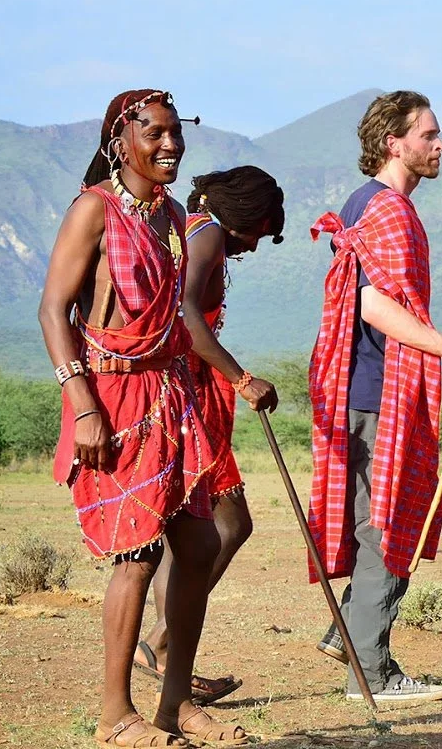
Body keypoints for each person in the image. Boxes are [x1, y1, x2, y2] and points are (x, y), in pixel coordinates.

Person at [39, 89, 245, 746]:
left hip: (169, 396)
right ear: (118, 142)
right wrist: (82, 404)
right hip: (112, 398)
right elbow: (52, 311)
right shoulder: (91, 213)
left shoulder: (174, 216)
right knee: (136, 554)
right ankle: (113, 716)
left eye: (176, 134)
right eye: (154, 134)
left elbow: (178, 317)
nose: (170, 145)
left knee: (202, 542)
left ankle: (173, 705)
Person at [309, 90, 442, 702]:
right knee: (386, 527)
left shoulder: (377, 206)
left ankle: (351, 633)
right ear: (395, 142)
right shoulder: (384, 210)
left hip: (380, 388)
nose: (440, 144)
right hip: (375, 390)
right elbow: (372, 304)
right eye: (429, 134)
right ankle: (374, 672)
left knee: (395, 518)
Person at [133, 166, 286, 707]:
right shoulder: (208, 235)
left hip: (190, 387)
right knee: (227, 523)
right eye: (259, 231)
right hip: (189, 391)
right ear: (246, 216)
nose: (254, 244)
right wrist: (243, 379)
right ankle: (160, 642)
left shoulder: (194, 229)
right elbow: (185, 316)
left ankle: (168, 653)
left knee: (192, 529)